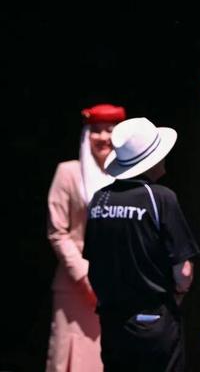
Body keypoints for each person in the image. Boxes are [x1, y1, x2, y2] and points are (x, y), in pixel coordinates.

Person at [83, 117, 200, 371]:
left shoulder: (99, 200)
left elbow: (93, 266)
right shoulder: (160, 197)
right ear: (153, 159)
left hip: (113, 325)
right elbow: (184, 273)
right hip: (155, 321)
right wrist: (177, 296)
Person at [46, 103, 126, 372]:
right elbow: (58, 232)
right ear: (86, 135)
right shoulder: (68, 172)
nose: (103, 137)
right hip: (76, 286)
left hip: (118, 286)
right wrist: (85, 275)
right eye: (96, 130)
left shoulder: (128, 176)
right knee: (73, 359)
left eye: (110, 130)